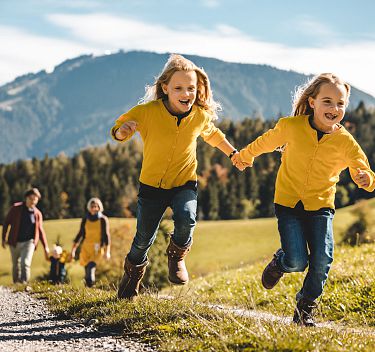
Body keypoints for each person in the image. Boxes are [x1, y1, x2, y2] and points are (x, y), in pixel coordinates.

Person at [232, 73, 375, 326]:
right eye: (327, 101)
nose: (334, 109)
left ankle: (305, 309)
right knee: (297, 260)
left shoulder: (345, 142)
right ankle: (281, 261)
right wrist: (245, 156)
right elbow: (265, 142)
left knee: (322, 259)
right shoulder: (291, 127)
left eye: (340, 104)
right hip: (288, 204)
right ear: (312, 102)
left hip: (321, 206)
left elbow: (362, 169)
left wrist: (366, 179)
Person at [111, 54, 239, 300]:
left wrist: (233, 153)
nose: (186, 93)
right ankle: (131, 279)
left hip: (184, 183)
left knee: (187, 218)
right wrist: (122, 131)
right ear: (165, 88)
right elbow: (120, 125)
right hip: (152, 187)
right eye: (179, 88)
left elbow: (213, 135)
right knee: (143, 239)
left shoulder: (199, 116)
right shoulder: (148, 112)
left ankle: (177, 257)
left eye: (191, 88)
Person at [1, 188, 50, 284]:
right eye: (31, 198)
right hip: (14, 242)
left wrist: (46, 247)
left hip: (29, 242)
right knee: (16, 265)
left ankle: (24, 283)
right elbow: (6, 223)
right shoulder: (16, 208)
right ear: (26, 198)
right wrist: (3, 238)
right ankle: (16, 283)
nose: (33, 201)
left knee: (25, 263)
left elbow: (40, 231)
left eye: (35, 199)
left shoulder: (37, 214)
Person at [71, 198, 111, 287]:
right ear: (89, 207)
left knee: (91, 266)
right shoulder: (85, 219)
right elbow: (80, 234)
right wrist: (73, 249)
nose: (94, 208)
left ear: (99, 207)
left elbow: (106, 236)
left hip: (97, 248)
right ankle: (88, 288)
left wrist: (107, 251)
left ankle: (90, 284)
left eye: (96, 206)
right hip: (86, 247)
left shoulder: (103, 219)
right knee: (86, 268)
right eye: (92, 206)